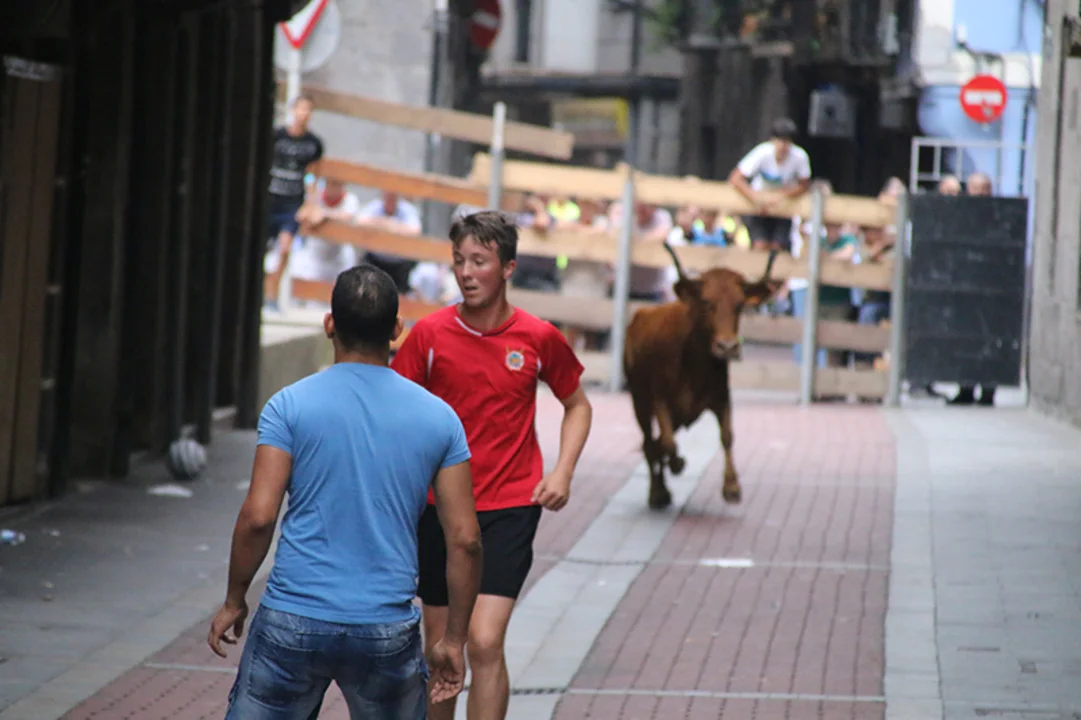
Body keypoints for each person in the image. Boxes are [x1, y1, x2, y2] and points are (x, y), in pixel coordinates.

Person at [208, 265, 483, 719]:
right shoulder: (440, 419)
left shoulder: (288, 406)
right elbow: (466, 540)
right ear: (396, 330)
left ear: (329, 324)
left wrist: (235, 600)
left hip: (292, 616)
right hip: (385, 624)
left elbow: (259, 516)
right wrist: (453, 639)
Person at [391, 210, 594, 720]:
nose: (465, 272)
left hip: (509, 505)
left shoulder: (538, 337)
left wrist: (563, 471)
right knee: (439, 645)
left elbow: (577, 404)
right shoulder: (429, 335)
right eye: (458, 260)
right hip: (438, 509)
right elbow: (394, 411)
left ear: (507, 268)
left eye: (479, 261)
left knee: (483, 641)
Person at [264, 94, 325, 309]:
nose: (304, 114)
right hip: (270, 199)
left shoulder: (313, 144)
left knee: (284, 248)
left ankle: (271, 294)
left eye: (308, 110)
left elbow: (313, 175)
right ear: (293, 110)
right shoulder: (277, 137)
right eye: (301, 109)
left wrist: (310, 204)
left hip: (292, 204)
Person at [729, 116, 812, 253]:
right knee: (759, 246)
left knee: (778, 249)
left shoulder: (799, 157)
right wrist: (755, 198)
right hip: (758, 207)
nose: (783, 146)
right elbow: (736, 178)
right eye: (780, 140)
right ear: (773, 140)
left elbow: (804, 185)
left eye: (787, 141)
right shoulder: (762, 153)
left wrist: (781, 196)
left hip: (784, 208)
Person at [950, 171, 997, 407]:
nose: (979, 195)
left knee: (990, 341)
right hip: (965, 288)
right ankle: (965, 389)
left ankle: (988, 391)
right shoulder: (959, 215)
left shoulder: (999, 215)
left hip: (993, 291)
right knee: (964, 340)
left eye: (984, 190)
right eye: (975, 189)